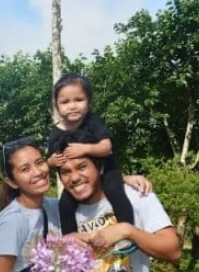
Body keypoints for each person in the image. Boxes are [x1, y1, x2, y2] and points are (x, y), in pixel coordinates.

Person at [0, 137, 153, 272]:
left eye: (40, 163)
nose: (38, 172)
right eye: (25, 169)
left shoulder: (52, 207)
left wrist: (121, 181)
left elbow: (88, 189)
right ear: (12, 182)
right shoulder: (12, 221)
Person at [51, 130, 182, 272]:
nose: (74, 177)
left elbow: (173, 250)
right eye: (65, 172)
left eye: (82, 167)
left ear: (99, 167)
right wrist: (63, 244)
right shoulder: (57, 211)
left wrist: (127, 230)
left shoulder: (135, 196)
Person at [47, 73, 136, 256]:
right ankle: (72, 242)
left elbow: (107, 147)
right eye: (65, 102)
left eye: (78, 100)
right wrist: (52, 161)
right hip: (79, 179)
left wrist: (84, 149)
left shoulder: (93, 122)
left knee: (115, 191)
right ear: (56, 106)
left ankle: (126, 234)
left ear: (89, 102)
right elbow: (49, 159)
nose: (72, 106)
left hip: (107, 171)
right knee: (64, 205)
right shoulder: (55, 132)